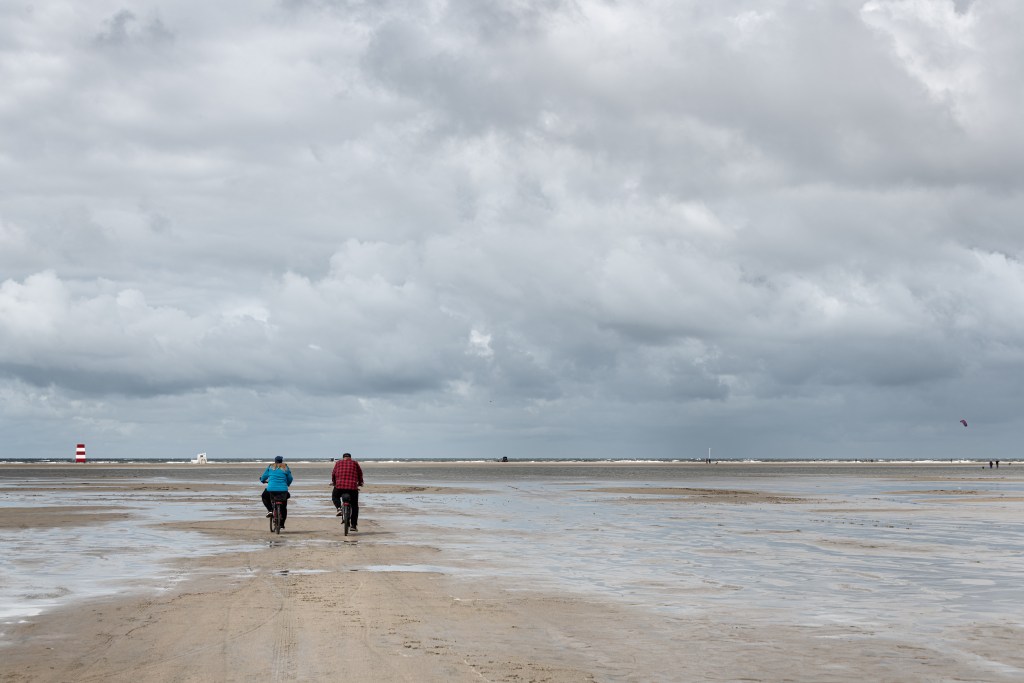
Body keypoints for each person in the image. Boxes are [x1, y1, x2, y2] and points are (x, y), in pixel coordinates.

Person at [331, 452, 364, 531]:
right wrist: (360, 482)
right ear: (350, 458)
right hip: (352, 487)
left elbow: (333, 474)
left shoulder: (338, 463)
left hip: (339, 487)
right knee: (354, 506)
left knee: (335, 496)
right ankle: (353, 525)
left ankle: (339, 508)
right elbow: (360, 474)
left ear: (343, 458)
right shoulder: (355, 463)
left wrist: (334, 482)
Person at [261, 456, 294, 528]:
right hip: (283, 490)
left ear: (275, 461)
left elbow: (264, 476)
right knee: (284, 506)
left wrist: (262, 480)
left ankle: (270, 510)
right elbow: (290, 478)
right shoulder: (285, 467)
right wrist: (287, 484)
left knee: (264, 496)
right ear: (282, 461)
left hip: (271, 489)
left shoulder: (271, 467)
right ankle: (281, 524)